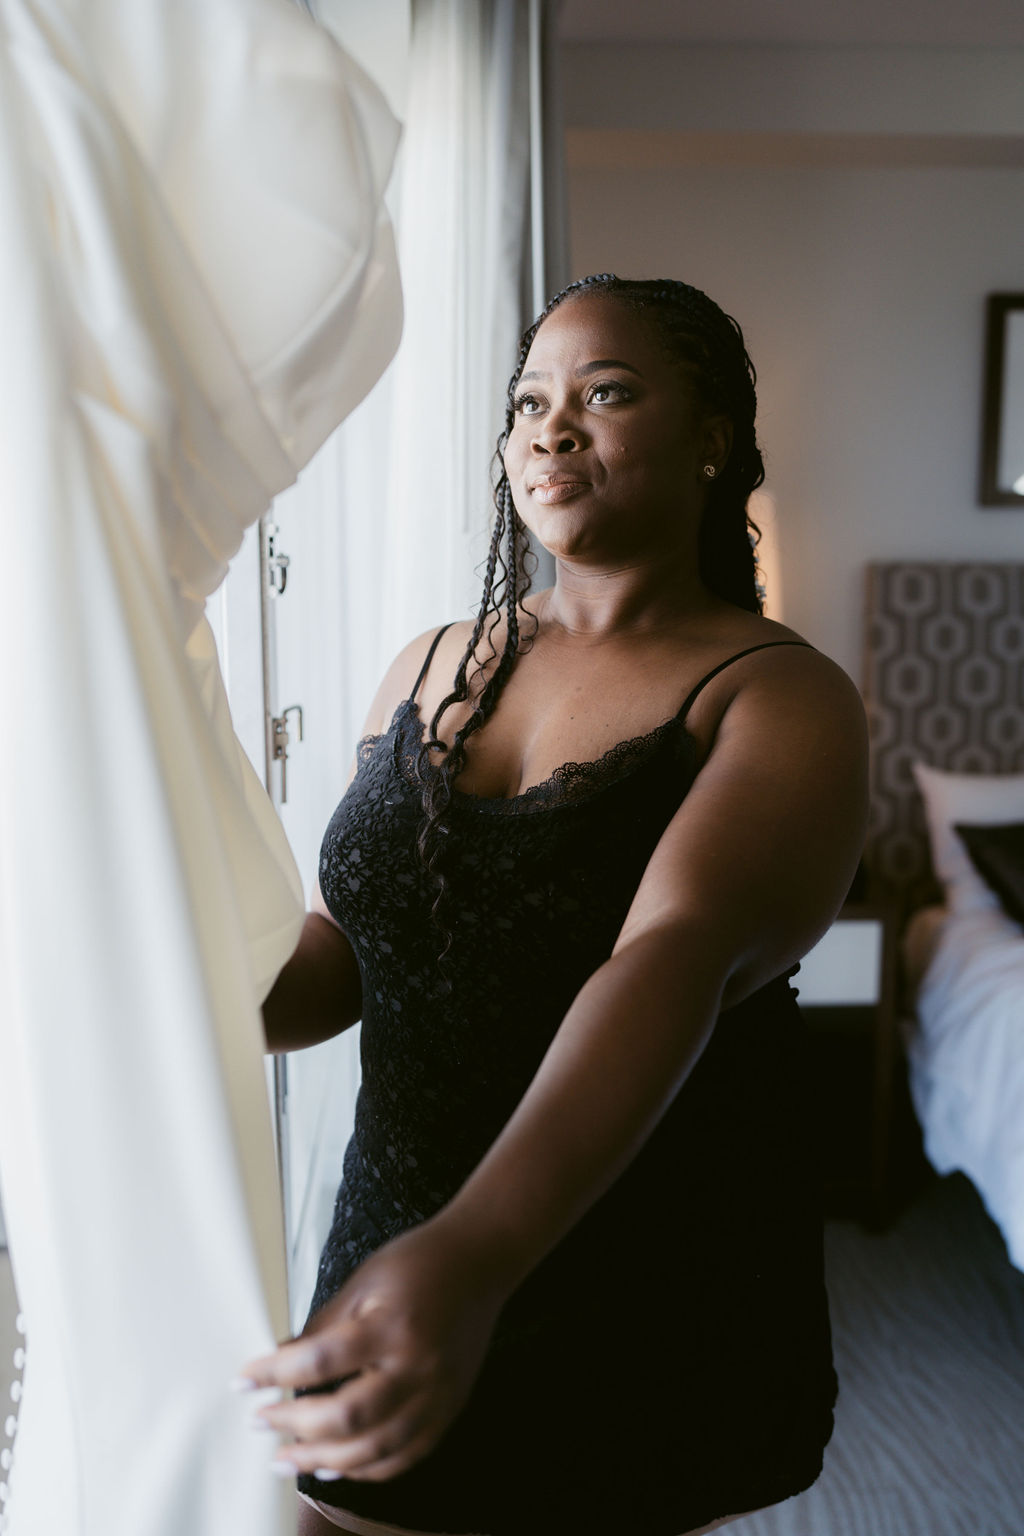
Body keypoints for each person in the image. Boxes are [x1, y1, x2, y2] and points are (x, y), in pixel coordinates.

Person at [240, 274, 868, 1536]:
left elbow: (671, 961)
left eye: (606, 392)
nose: (550, 427)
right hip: (399, 1236)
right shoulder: (427, 662)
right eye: (529, 401)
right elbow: (337, 963)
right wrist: (135, 969)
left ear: (709, 441)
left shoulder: (780, 698)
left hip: (636, 1259)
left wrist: (476, 1255)